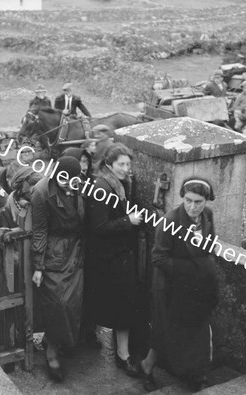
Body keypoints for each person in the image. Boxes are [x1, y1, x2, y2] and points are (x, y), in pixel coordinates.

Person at [136, 178, 222, 392]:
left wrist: (206, 268)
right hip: (170, 286)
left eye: (199, 202)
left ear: (207, 201)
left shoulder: (208, 217)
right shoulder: (170, 221)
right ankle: (146, 367)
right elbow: (159, 259)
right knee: (167, 332)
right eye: (188, 200)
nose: (193, 207)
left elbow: (209, 246)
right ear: (182, 198)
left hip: (196, 286)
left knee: (197, 329)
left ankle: (196, 373)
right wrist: (196, 267)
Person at [85, 143, 143, 377]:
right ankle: (121, 355)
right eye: (122, 164)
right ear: (109, 164)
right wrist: (128, 222)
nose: (126, 169)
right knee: (118, 306)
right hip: (107, 259)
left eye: (129, 164)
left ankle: (123, 353)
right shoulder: (102, 187)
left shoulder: (121, 185)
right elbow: (98, 226)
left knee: (124, 306)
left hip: (120, 256)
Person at [31, 156, 86, 382]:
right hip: (54, 250)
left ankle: (61, 342)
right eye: (63, 179)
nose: (67, 183)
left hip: (78, 250)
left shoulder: (81, 187)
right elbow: (40, 230)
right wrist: (38, 266)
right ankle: (51, 351)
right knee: (58, 303)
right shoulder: (42, 192)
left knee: (74, 302)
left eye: (72, 180)